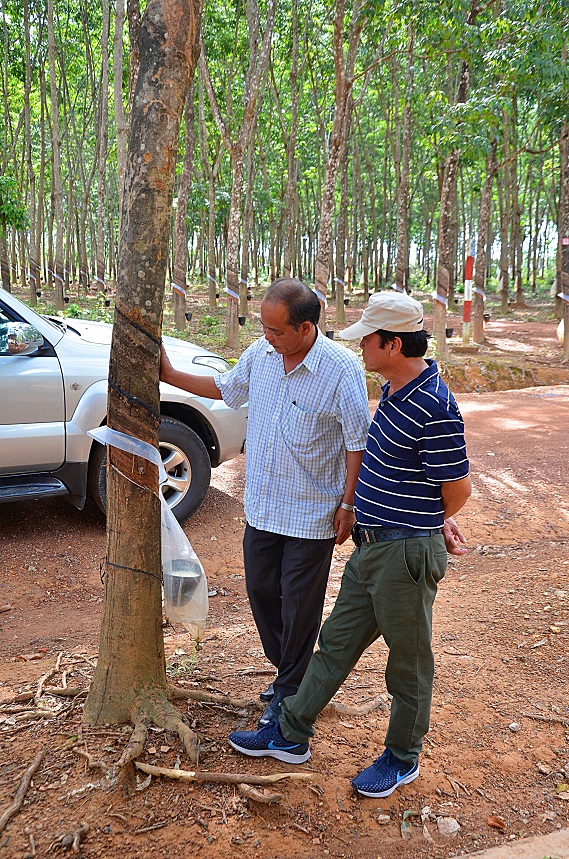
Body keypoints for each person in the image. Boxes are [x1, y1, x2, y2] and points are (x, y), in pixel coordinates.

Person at [228, 291, 472, 799]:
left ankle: (402, 758)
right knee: (334, 647)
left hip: (404, 553)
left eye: (369, 340)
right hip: (373, 548)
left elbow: (458, 489)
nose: (361, 348)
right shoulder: (396, 389)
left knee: (408, 661)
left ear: (393, 343)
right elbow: (405, 472)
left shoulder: (434, 402)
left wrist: (433, 522)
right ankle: (291, 733)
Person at [160, 278, 370, 726]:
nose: (268, 338)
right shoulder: (262, 354)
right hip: (263, 505)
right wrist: (171, 375)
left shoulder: (341, 369)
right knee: (260, 591)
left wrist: (348, 505)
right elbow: (226, 387)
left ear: (306, 328)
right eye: (264, 328)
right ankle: (291, 671)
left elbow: (357, 441)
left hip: (313, 510)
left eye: (276, 331)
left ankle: (290, 693)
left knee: (299, 603)